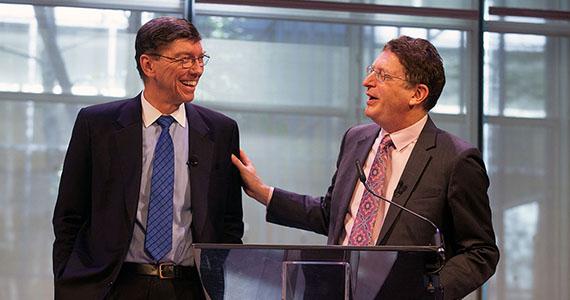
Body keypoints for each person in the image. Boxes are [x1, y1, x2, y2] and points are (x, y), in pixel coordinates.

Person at [231, 36, 499, 299]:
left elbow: (480, 252)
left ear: (417, 94)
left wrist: (430, 291)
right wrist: (262, 193)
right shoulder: (355, 139)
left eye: (382, 76)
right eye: (372, 71)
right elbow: (331, 214)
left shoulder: (455, 159)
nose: (367, 82)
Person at [52, 17, 244, 299]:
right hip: (113, 286)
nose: (197, 69)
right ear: (148, 64)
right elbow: (69, 215)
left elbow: (229, 223)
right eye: (184, 59)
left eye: (200, 58)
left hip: (189, 288)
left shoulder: (221, 130)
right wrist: (68, 284)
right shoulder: (97, 124)